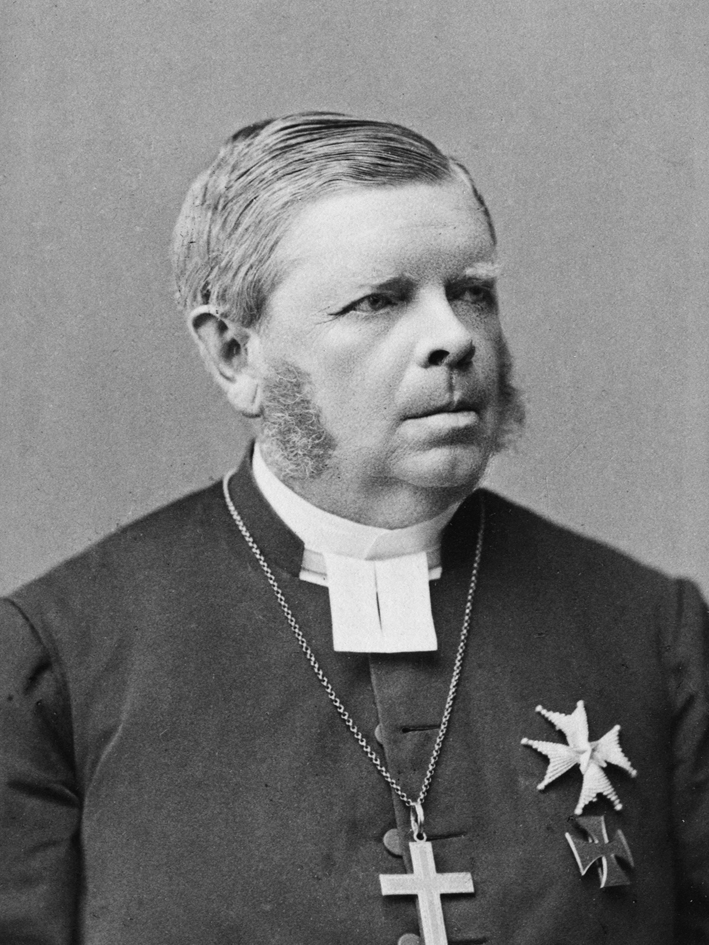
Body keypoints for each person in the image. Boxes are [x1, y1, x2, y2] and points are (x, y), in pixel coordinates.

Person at [0, 113, 707, 945]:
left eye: (471, 292)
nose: (452, 338)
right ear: (235, 354)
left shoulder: (649, 630)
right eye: (379, 301)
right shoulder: (61, 659)